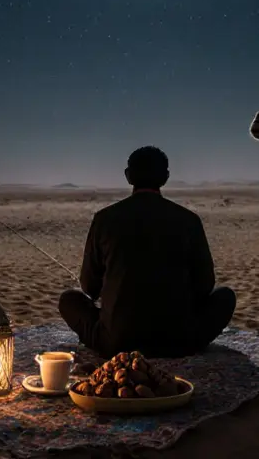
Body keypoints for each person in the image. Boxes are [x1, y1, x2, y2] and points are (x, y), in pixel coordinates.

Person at [58, 146, 236, 359]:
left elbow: (89, 286)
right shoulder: (188, 220)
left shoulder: (104, 219)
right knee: (225, 297)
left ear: (128, 176)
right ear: (166, 177)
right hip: (180, 342)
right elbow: (204, 286)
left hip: (116, 343)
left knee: (69, 299)